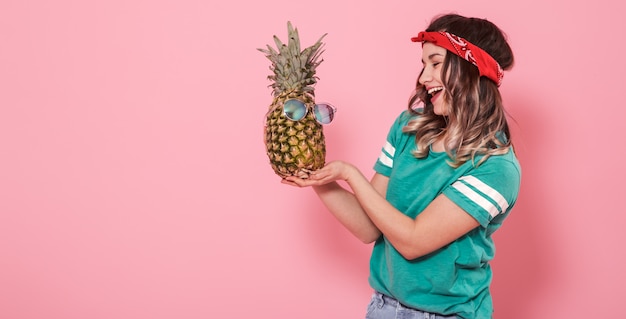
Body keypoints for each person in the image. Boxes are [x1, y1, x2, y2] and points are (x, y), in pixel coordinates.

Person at [282, 13, 520, 319]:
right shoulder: (410, 127)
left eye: (436, 63)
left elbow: (412, 241)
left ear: (471, 69)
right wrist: (319, 177)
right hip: (383, 307)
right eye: (424, 65)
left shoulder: (495, 166)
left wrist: (350, 174)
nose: (423, 77)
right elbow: (369, 226)